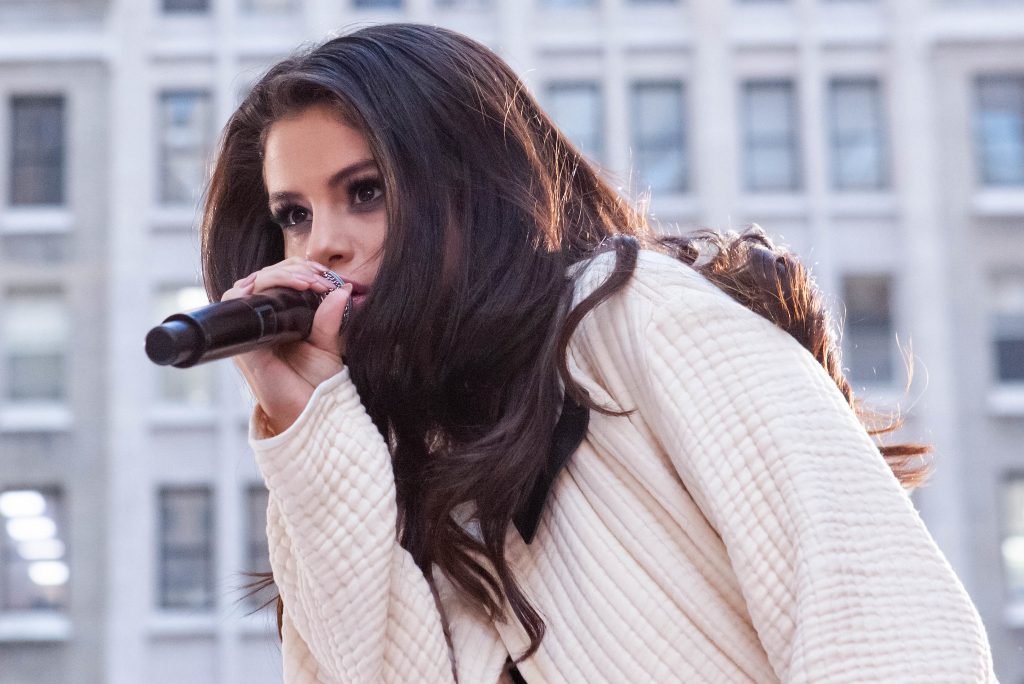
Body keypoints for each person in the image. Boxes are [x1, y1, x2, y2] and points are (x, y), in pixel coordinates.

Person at [201, 23, 995, 683]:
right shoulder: (382, 435)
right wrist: (313, 428)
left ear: (469, 185)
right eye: (294, 215)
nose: (324, 245)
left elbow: (884, 628)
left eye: (365, 192)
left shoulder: (643, 315)